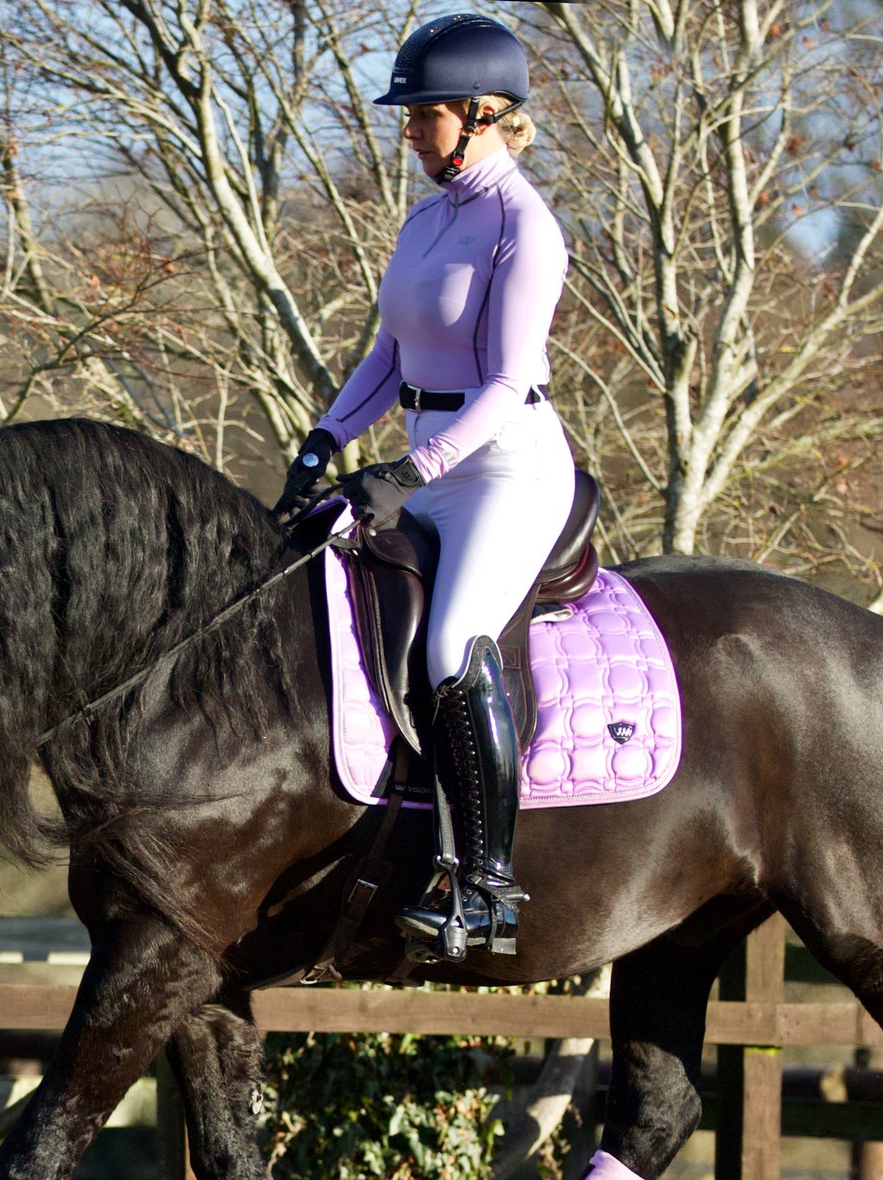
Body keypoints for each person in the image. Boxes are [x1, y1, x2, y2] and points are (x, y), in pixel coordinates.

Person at [278, 12, 576, 958]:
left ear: (484, 112)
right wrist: (325, 440)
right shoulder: (428, 216)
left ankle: (487, 888)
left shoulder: (524, 228)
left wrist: (409, 473)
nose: (408, 131)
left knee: (452, 644)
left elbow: (507, 385)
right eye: (409, 117)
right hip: (426, 461)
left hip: (504, 471)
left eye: (424, 115)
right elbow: (390, 355)